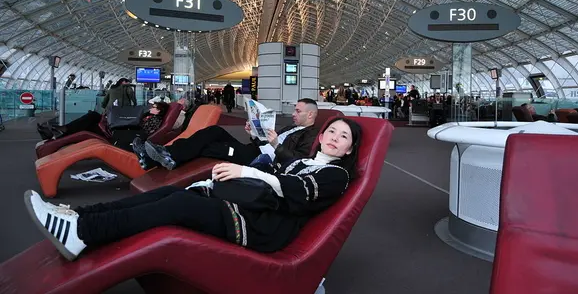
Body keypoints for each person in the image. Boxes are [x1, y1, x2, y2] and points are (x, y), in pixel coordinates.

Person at [23, 118, 362, 260]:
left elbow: (298, 191)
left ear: (348, 150)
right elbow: (274, 175)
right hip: (251, 207)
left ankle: (82, 232)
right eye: (332, 131)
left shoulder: (336, 174)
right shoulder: (301, 161)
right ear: (322, 136)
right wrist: (215, 181)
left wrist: (245, 169)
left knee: (179, 207)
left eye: (344, 136)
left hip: (263, 227)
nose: (335, 137)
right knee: (169, 194)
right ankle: (78, 217)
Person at [131, 98, 320, 170]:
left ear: (310, 114)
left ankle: (160, 157)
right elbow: (265, 142)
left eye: (298, 111)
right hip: (254, 148)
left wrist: (277, 145)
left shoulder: (311, 135)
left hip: (259, 160)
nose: (293, 114)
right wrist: (254, 133)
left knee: (210, 146)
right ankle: (162, 156)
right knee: (214, 132)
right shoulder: (290, 128)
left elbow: (298, 161)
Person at [37, 102, 169, 144]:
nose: (151, 108)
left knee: (91, 119)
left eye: (154, 107)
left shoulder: (155, 120)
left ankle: (60, 132)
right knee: (89, 122)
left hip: (121, 134)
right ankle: (58, 133)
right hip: (118, 130)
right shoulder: (148, 116)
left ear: (159, 111)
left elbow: (144, 132)